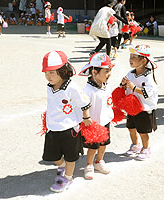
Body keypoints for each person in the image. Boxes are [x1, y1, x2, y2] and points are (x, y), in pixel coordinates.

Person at [41, 50, 92, 192]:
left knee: (71, 157)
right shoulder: (49, 86)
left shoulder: (71, 87)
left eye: (52, 72)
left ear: (63, 71)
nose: (48, 76)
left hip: (70, 128)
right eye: (46, 72)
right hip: (53, 127)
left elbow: (84, 102)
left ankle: (67, 178)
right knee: (53, 156)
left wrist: (86, 117)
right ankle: (61, 165)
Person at [78, 53, 115, 180]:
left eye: (110, 70)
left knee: (104, 144)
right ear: (94, 72)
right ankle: (89, 165)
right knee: (93, 147)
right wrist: (86, 118)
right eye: (106, 71)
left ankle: (99, 162)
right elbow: (84, 105)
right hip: (93, 124)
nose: (109, 74)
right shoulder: (88, 90)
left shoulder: (106, 85)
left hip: (105, 121)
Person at [121, 45, 158, 161]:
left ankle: (146, 148)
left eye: (134, 57)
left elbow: (149, 92)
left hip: (144, 108)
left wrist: (133, 88)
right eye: (130, 56)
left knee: (143, 130)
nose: (130, 59)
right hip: (131, 107)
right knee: (131, 128)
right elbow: (123, 88)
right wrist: (123, 84)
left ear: (143, 60)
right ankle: (135, 146)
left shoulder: (148, 76)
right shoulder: (130, 73)